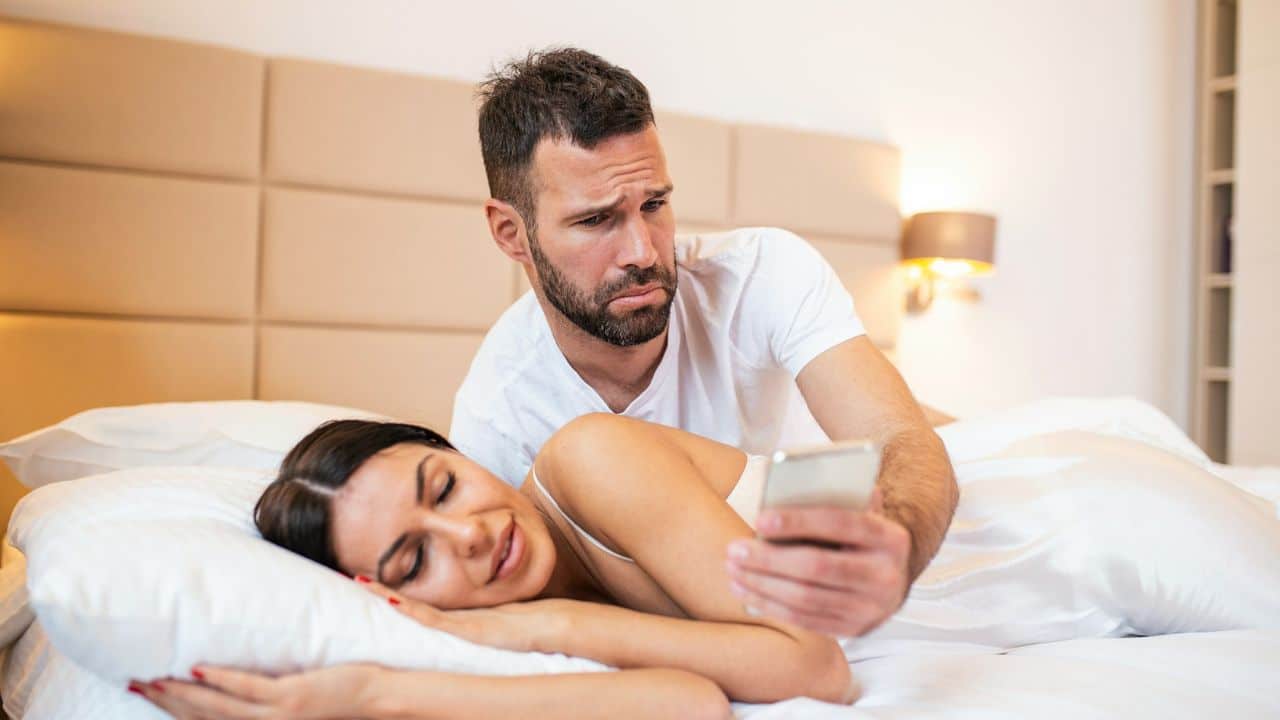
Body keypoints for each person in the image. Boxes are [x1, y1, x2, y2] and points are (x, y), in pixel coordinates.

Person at [450, 47, 957, 636]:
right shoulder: (500, 416)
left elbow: (897, 436)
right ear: (511, 233)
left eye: (655, 205)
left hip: (883, 491)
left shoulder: (760, 274)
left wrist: (897, 543)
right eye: (596, 221)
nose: (643, 252)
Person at [132, 414, 857, 719]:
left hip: (914, 524)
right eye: (415, 559)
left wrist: (547, 622)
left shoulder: (591, 456)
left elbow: (816, 666)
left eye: (444, 486)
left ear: (458, 451)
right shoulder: (475, 629)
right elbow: (690, 704)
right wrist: (379, 692)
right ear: (377, 594)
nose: (467, 536)